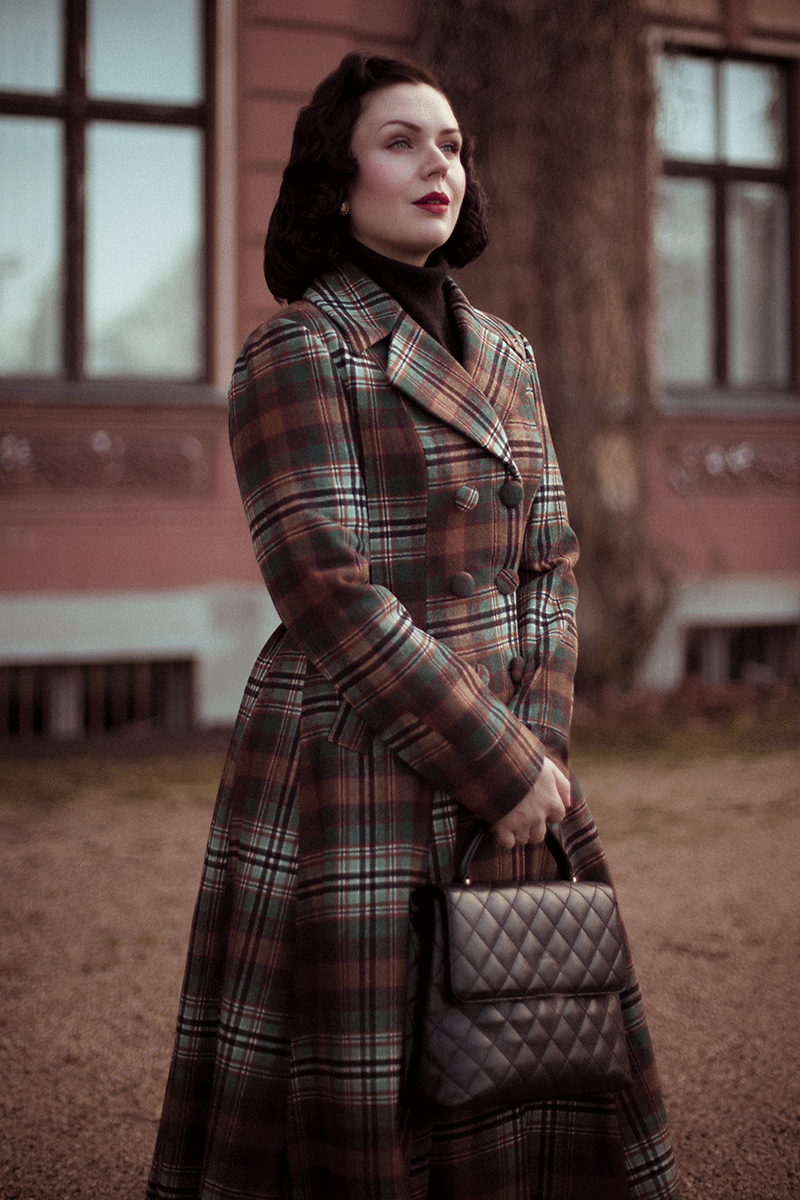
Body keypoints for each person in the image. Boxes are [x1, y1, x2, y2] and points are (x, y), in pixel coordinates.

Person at [147, 50, 680, 1200]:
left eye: (449, 144)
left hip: (515, 761)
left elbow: (550, 560)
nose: (436, 163)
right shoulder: (297, 348)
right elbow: (326, 589)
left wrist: (536, 759)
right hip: (356, 761)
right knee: (361, 1099)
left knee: (525, 1059)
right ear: (335, 183)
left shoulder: (507, 352)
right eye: (399, 142)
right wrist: (498, 764)